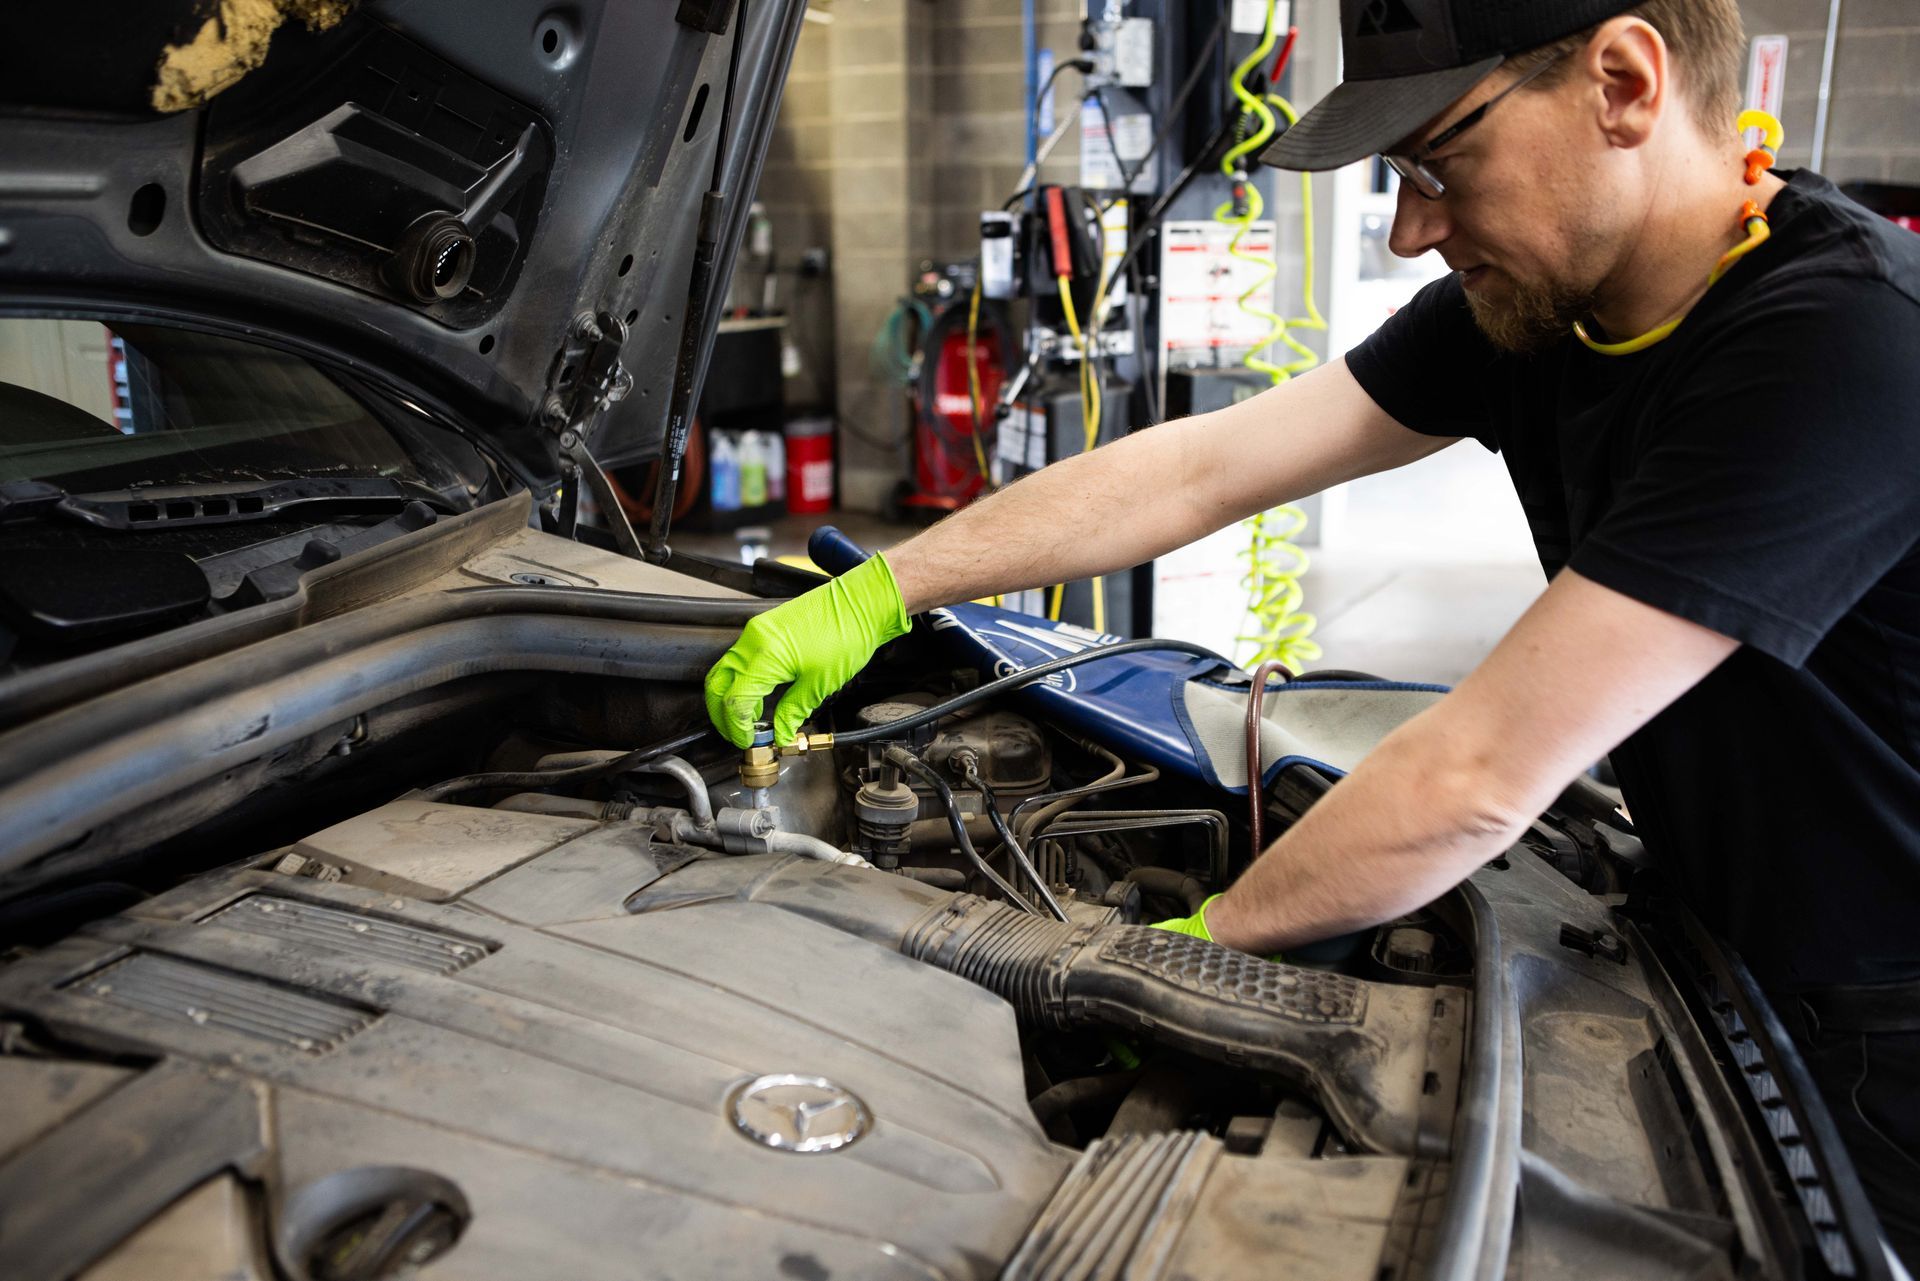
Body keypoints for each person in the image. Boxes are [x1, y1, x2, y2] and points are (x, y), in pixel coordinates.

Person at [705, 0, 1920, 1253]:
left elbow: (1476, 777)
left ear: (1622, 84)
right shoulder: (1554, 310)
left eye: (1438, 164)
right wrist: (885, 590)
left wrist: (1184, 962)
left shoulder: (1843, 345)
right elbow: (1200, 469)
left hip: (1879, 1035)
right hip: (1710, 932)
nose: (1409, 231)